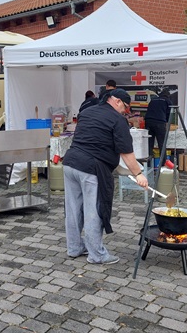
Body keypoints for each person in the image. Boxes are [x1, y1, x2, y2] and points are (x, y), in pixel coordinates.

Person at [62, 88, 148, 265]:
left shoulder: (87, 112)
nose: (126, 111)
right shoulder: (118, 120)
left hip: (70, 163)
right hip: (91, 168)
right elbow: (126, 152)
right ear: (116, 101)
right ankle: (97, 255)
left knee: (73, 209)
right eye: (125, 107)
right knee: (94, 210)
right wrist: (138, 174)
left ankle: (74, 248)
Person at [145, 88, 172, 160]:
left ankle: (149, 162)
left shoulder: (153, 100)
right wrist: (167, 122)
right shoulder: (167, 101)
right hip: (159, 123)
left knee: (149, 143)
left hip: (148, 121)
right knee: (162, 144)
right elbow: (169, 114)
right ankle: (162, 163)